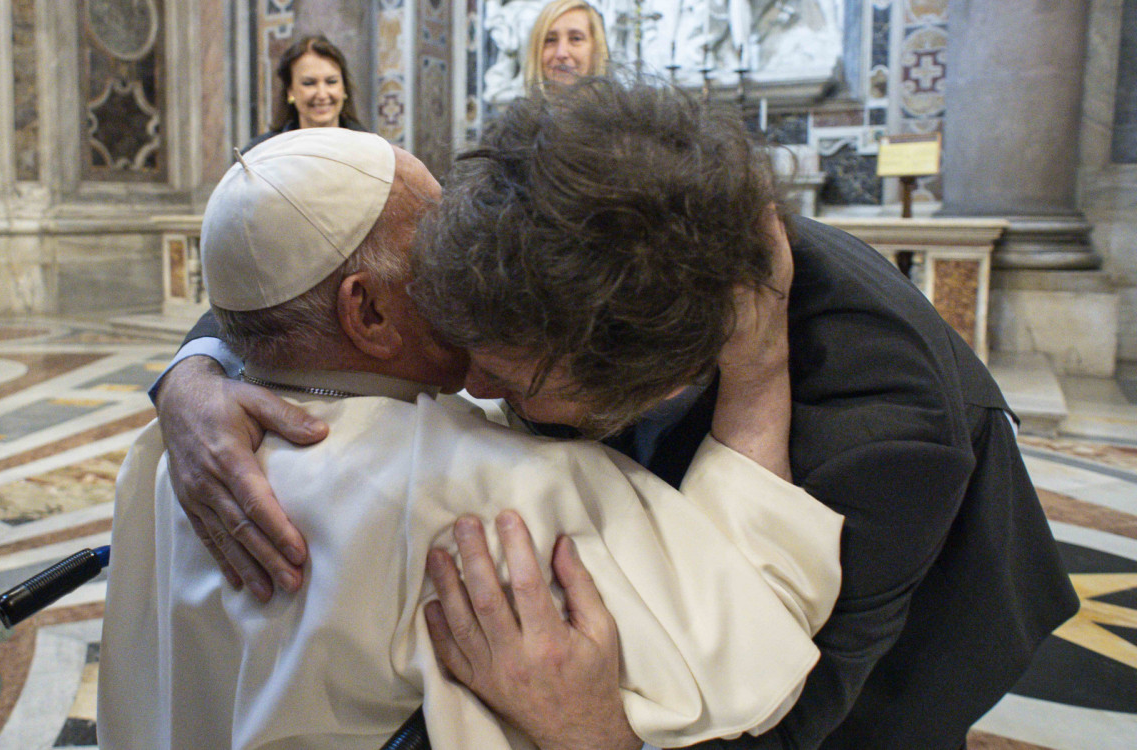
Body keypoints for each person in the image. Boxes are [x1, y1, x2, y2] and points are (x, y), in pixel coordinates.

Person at [153, 77, 1079, 749]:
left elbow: (782, 721)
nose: (471, 387)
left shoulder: (883, 431)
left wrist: (588, 730)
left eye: (511, 383)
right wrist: (196, 373)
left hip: (895, 671)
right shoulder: (558, 222)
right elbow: (302, 274)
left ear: (647, 374)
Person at [100, 127, 843, 749]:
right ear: (370, 314)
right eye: (439, 241)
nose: (476, 252)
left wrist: (192, 368)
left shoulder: (166, 460)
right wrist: (757, 369)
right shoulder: (490, 490)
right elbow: (754, 616)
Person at [241, 34, 366, 154]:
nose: (322, 95)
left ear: (344, 88)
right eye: (309, 83)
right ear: (290, 91)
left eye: (331, 82)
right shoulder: (258, 155)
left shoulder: (373, 150)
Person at [523, 0, 610, 90]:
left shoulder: (620, 103)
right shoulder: (518, 103)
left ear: (596, 47)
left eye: (576, 39)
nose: (561, 53)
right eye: (550, 40)